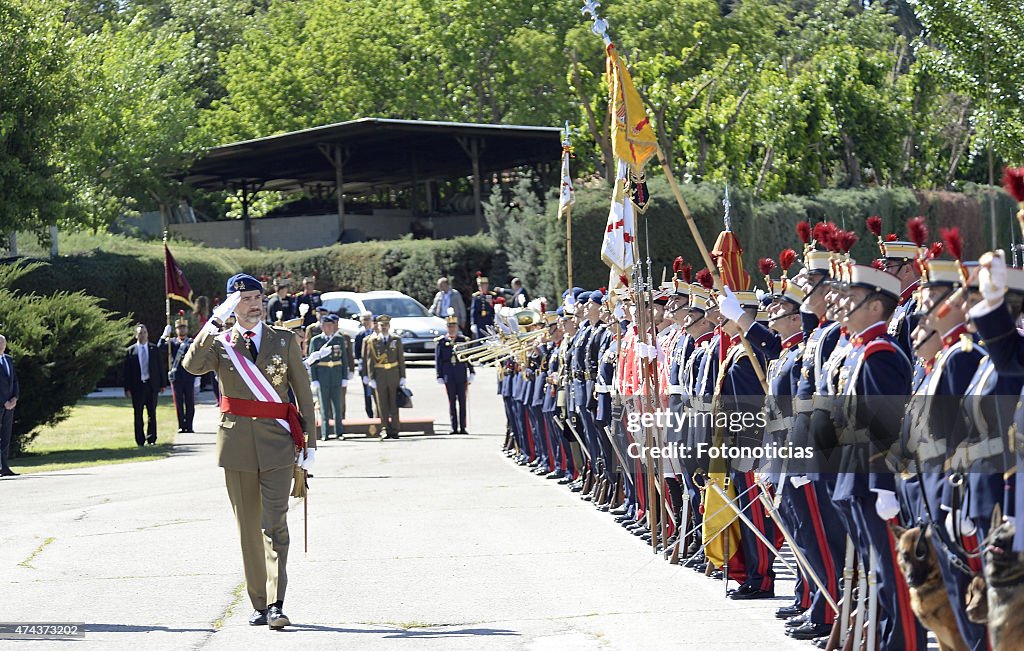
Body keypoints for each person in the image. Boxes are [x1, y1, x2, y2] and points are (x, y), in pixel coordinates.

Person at [182, 273, 316, 631]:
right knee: (248, 528)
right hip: (237, 446)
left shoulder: (284, 341)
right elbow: (190, 366)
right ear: (231, 305)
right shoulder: (220, 343)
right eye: (245, 299)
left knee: (275, 524)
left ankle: (276, 604)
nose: (254, 304)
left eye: (258, 297)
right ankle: (258, 603)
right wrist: (214, 321)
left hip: (277, 445)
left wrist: (311, 444)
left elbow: (302, 393)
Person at [308, 314, 351, 441]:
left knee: (338, 406)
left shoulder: (339, 339)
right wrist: (314, 379)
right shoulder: (316, 341)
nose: (329, 327)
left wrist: (345, 377)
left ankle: (339, 432)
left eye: (331, 325)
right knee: (324, 406)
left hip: (336, 375)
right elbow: (312, 361)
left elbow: (344, 359)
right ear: (321, 326)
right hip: (323, 376)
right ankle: (325, 433)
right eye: (326, 325)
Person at [123, 323, 167, 446]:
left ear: (147, 334)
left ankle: (152, 439)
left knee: (152, 413)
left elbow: (160, 367)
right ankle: (140, 440)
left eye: (144, 332)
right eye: (140, 333)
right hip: (137, 387)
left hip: (151, 386)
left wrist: (163, 384)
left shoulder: (154, 349)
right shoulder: (131, 351)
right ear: (136, 335)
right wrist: (127, 388)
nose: (143, 335)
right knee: (138, 415)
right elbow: (127, 372)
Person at [365, 314, 406, 439]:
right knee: (382, 404)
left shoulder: (396, 340)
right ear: (378, 326)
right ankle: (384, 428)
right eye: (382, 325)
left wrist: (402, 376)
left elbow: (401, 359)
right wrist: (371, 378)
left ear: (389, 326)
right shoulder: (373, 341)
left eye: (386, 325)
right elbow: (370, 360)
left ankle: (395, 428)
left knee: (394, 403)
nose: (384, 328)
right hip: (380, 374)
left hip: (393, 373)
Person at [435, 311, 474, 434]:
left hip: (461, 372)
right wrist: (439, 375)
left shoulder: (463, 340)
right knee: (452, 402)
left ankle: (463, 427)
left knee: (462, 401)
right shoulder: (441, 342)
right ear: (447, 327)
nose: (452, 329)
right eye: (449, 326)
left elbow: (468, 357)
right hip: (448, 374)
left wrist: (472, 372)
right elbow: (438, 360)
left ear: (457, 327)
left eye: (454, 326)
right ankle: (453, 427)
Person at [159, 314, 197, 433]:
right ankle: (181, 425)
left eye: (184, 327)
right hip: (176, 377)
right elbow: (159, 347)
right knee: (178, 402)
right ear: (176, 330)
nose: (182, 330)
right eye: (179, 328)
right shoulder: (171, 343)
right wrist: (164, 335)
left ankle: (189, 425)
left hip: (189, 376)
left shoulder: (191, 342)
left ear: (187, 329)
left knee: (190, 402)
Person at [0, 335, 19, 477]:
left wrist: (15, 398)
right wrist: (3, 402)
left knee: (6, 436)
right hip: (1, 404)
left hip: (10, 405)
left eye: (3, 343)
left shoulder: (9, 359)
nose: (1, 346)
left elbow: (15, 381)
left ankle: (5, 467)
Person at [353, 311, 376, 418]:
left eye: (368, 319)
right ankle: (369, 413)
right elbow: (357, 352)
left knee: (377, 392)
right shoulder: (360, 335)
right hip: (365, 367)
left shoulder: (376, 333)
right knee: (367, 392)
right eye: (364, 320)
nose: (366, 322)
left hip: (376, 366)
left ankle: (379, 413)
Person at [469, 273, 497, 338]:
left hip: (490, 319)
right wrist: (473, 323)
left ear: (487, 285)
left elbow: (495, 309)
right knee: (480, 338)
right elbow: (473, 310)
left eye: (484, 285)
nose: (482, 287)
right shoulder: (476, 296)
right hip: (480, 320)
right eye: (480, 286)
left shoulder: (492, 295)